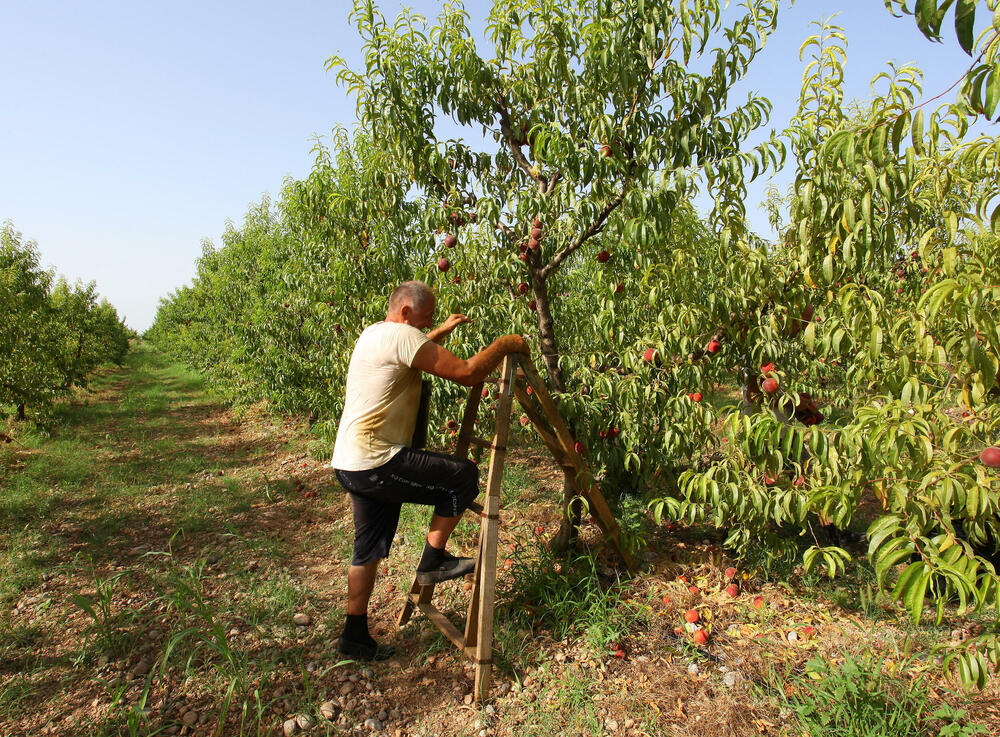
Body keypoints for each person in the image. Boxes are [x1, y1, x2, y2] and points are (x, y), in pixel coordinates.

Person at [331, 280, 529, 660]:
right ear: (405, 312)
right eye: (425, 320)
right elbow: (468, 373)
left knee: (366, 550)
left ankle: (353, 635)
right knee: (463, 477)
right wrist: (506, 344)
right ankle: (433, 560)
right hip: (378, 460)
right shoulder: (403, 337)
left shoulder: (374, 333)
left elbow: (410, 350)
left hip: (350, 462)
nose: (427, 326)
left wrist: (439, 333)